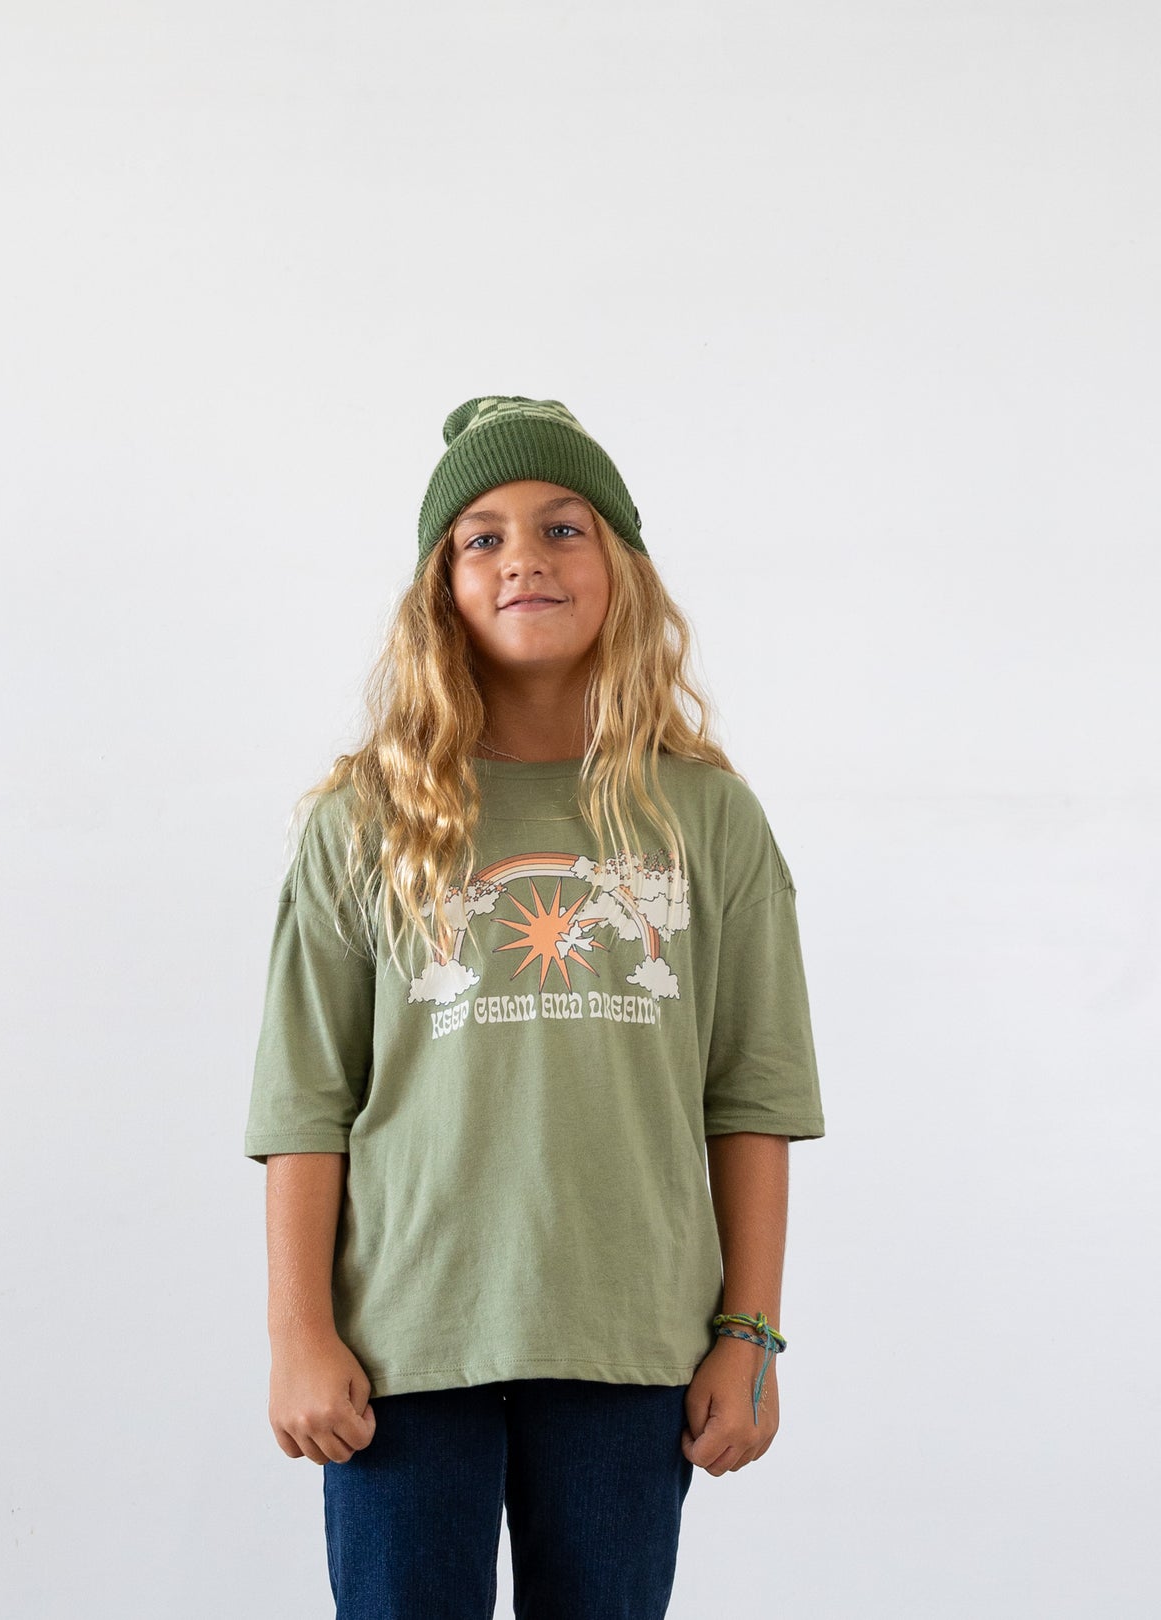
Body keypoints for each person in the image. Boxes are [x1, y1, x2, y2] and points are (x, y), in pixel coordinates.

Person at [243, 394, 827, 1618]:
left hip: (631, 1336)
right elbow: (306, 1098)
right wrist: (299, 1333)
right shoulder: (366, 820)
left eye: (565, 528)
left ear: (622, 569)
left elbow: (753, 1093)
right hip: (402, 1344)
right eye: (484, 537)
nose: (525, 559)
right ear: (441, 587)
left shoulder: (708, 819)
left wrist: (751, 1332)